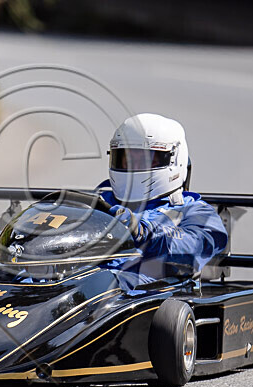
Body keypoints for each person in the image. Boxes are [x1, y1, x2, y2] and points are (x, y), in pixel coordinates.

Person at [98, 113, 228, 282]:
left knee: (103, 284)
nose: (134, 166)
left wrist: (143, 232)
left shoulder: (194, 211)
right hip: (82, 279)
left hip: (140, 288)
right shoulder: (99, 201)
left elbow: (194, 246)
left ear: (174, 160)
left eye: (145, 160)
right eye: (127, 159)